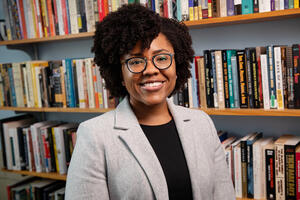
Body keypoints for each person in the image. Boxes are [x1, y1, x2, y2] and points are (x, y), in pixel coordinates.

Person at [65, 4, 235, 200]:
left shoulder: (201, 122)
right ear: (119, 73)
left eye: (161, 58)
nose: (151, 70)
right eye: (136, 61)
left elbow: (223, 194)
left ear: (176, 63)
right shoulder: (94, 135)